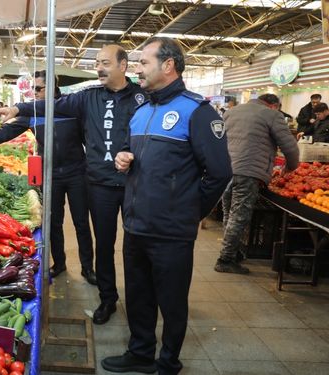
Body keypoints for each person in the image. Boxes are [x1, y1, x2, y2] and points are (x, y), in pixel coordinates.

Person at [0, 44, 146, 325]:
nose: (99, 67)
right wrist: (17, 107)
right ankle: (108, 298)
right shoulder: (86, 98)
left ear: (123, 66)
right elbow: (50, 104)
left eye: (106, 62)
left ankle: (140, 303)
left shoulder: (143, 97)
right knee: (105, 244)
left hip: (136, 183)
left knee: (136, 247)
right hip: (100, 184)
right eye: (97, 62)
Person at [112, 37, 232, 374]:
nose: (137, 68)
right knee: (137, 295)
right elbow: (128, 152)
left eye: (144, 62)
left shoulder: (197, 111)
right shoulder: (141, 110)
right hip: (135, 223)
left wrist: (190, 211)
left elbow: (220, 172)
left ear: (168, 65)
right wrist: (123, 158)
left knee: (172, 300)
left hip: (171, 230)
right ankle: (140, 353)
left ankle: (168, 361)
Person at [0, 70, 96, 285]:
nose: (34, 93)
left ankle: (88, 268)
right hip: (50, 174)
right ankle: (59, 264)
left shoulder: (71, 108)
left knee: (81, 221)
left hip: (77, 172)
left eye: (39, 88)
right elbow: (5, 132)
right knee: (53, 222)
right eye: (33, 88)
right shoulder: (32, 111)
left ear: (52, 86)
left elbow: (90, 134)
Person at [215, 94, 299, 275]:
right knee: (239, 216)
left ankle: (232, 252)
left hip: (226, 168)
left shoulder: (232, 111)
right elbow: (289, 146)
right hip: (248, 171)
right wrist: (292, 167)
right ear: (274, 106)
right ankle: (225, 259)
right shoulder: (272, 115)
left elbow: (218, 137)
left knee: (229, 212)